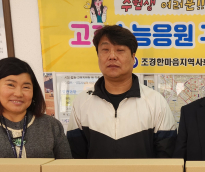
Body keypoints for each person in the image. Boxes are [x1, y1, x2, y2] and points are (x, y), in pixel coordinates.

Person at [67, 25, 177, 158]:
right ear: (98, 56)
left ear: (133, 57)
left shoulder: (155, 102)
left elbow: (167, 157)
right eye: (105, 50)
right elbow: (75, 157)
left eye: (120, 50)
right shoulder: (82, 102)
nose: (112, 56)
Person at [0, 57, 72, 159]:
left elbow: (67, 168)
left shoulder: (52, 125)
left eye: (26, 87)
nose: (19, 94)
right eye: (11, 85)